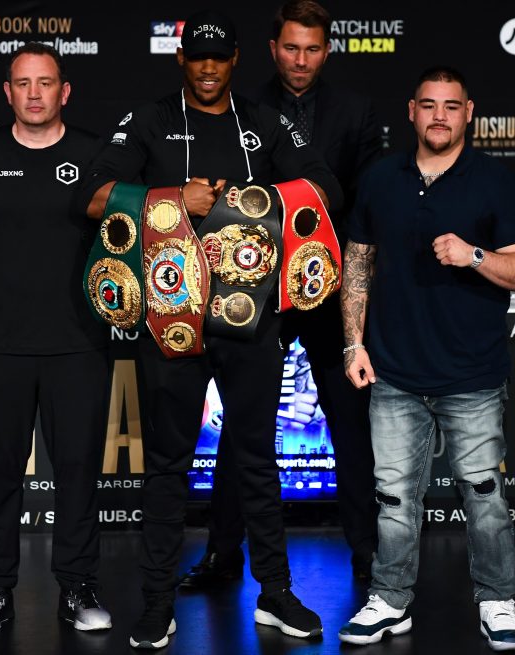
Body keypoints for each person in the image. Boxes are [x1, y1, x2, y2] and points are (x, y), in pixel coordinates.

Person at [74, 9, 343, 649]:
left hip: (248, 319)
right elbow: (89, 196)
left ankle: (274, 593)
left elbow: (326, 188)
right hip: (168, 321)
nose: (207, 68)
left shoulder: (261, 121)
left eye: (218, 58)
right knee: (166, 463)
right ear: (181, 59)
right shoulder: (151, 120)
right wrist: (173, 200)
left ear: (235, 63)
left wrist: (250, 206)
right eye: (196, 57)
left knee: (255, 457)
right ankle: (158, 603)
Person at [338, 65, 515, 650]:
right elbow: (357, 266)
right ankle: (390, 600)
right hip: (394, 373)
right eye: (428, 105)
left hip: (471, 375)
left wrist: (474, 253)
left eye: (451, 106)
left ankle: (497, 599)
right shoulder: (380, 178)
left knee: (484, 500)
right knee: (395, 501)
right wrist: (353, 342)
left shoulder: (495, 181)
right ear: (411, 111)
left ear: (468, 112)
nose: (439, 116)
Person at [179, 0, 380, 590]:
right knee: (244, 422)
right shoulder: (241, 105)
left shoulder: (356, 111)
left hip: (328, 285)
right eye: (291, 48)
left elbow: (361, 200)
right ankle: (222, 554)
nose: (301, 59)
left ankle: (367, 558)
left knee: (349, 420)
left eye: (312, 49)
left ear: (327, 49)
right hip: (255, 285)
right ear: (271, 49)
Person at [0, 42, 112, 633]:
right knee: (0, 474)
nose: (35, 93)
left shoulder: (95, 153)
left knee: (77, 471)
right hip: (2, 344)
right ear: (8, 92)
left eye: (46, 83)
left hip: (79, 344)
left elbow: (121, 240)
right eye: (23, 83)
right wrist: (19, 279)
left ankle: (79, 588)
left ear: (64, 92)